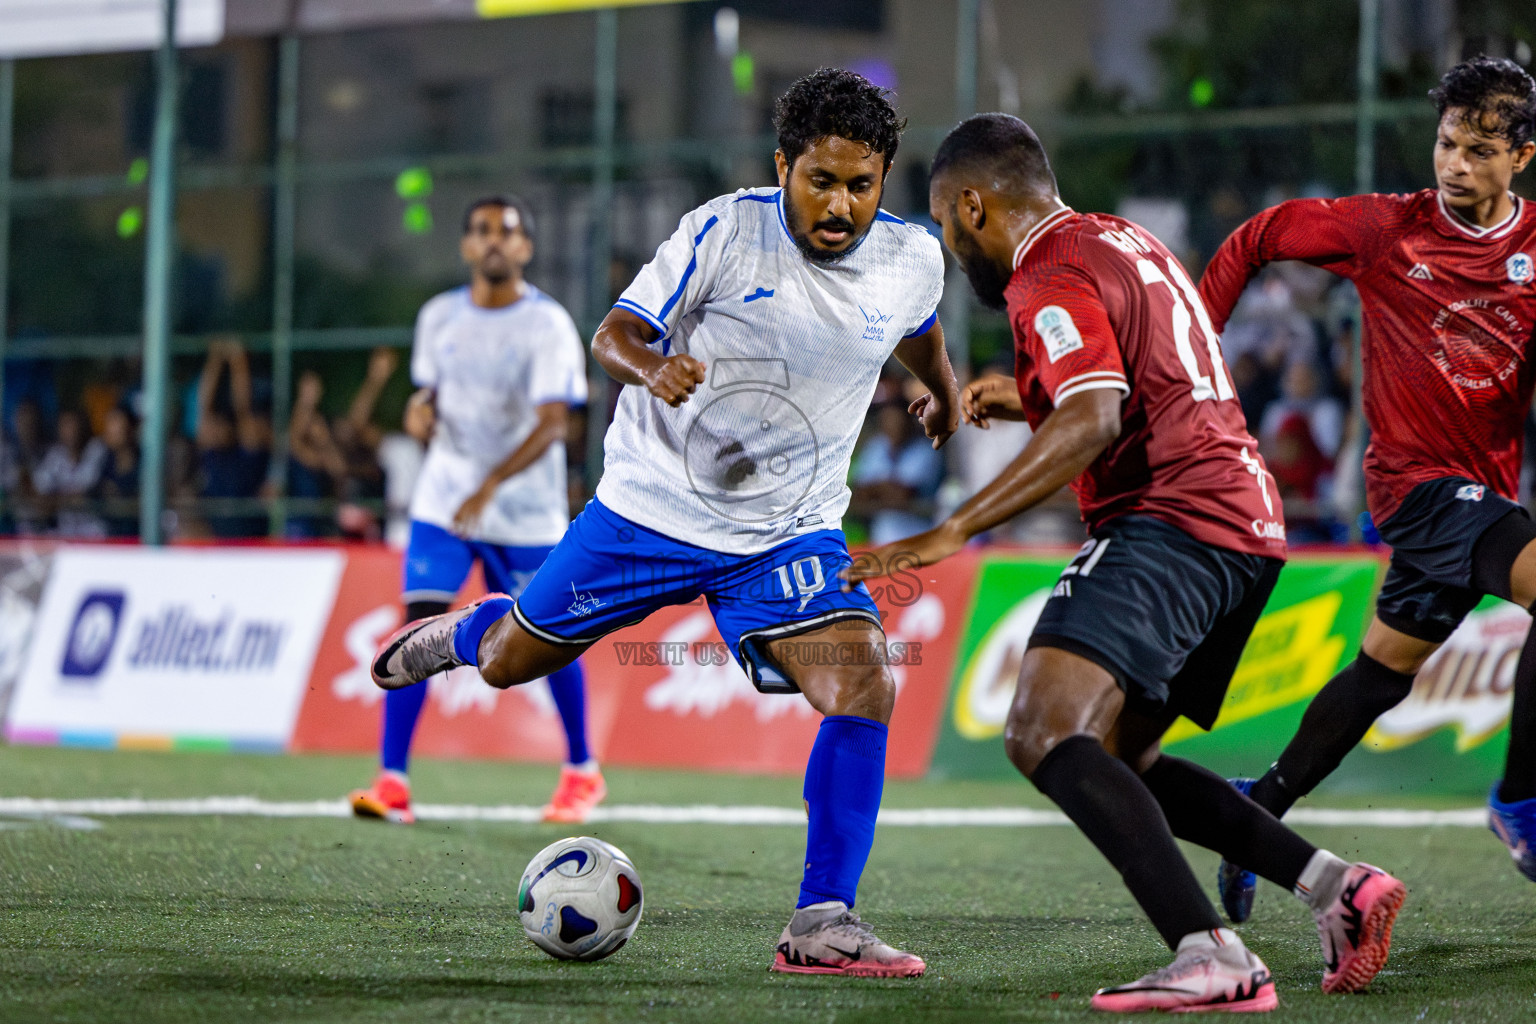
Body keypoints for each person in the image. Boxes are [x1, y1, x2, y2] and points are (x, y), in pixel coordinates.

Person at [369, 68, 955, 977]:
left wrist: (940, 390)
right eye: (820, 181)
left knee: (865, 684)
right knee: (513, 662)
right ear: (782, 167)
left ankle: (820, 923)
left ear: (884, 176)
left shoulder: (914, 254)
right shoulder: (722, 231)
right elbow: (615, 333)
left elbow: (914, 322)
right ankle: (470, 629)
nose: (840, 204)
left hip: (787, 530)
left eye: (861, 184)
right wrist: (653, 371)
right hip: (652, 507)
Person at [846, 113, 1404, 1012]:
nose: (955, 250)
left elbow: (1097, 415)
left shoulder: (1044, 273)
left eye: (951, 228)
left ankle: (1211, 956)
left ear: (975, 206)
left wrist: (952, 531)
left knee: (1042, 731)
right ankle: (1339, 887)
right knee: (1122, 756)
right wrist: (1030, 399)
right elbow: (1142, 385)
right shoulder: (1121, 239)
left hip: (1171, 523)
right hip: (1245, 529)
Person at [1199, 55, 1536, 920]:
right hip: (1416, 489)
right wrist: (1200, 358)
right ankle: (1522, 803)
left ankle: (1255, 810)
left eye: (1478, 150)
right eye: (1446, 143)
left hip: (1481, 497)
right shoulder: (1387, 229)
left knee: (1382, 675)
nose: (1455, 164)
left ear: (1521, 159)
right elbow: (1257, 235)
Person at [348, 195, 604, 826]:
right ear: (466, 246)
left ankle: (581, 771)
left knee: (548, 636)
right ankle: (392, 781)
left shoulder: (547, 325)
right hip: (445, 503)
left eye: (507, 232)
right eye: (483, 231)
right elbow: (427, 396)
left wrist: (490, 484)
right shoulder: (438, 317)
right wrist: (418, 411)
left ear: (525, 248)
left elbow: (553, 426)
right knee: (419, 624)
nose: (495, 241)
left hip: (524, 511)